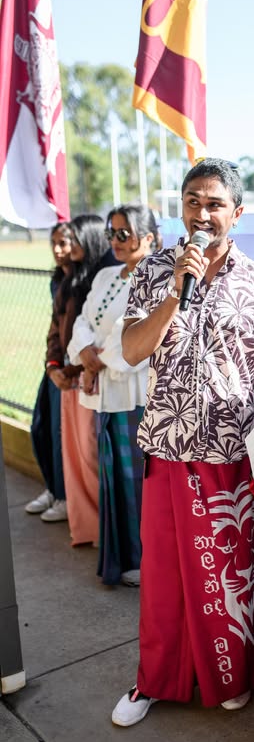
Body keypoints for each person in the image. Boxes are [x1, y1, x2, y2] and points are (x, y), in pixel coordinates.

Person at [111, 158, 254, 727]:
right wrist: (173, 293)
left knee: (232, 576)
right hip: (168, 447)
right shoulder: (155, 270)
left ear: (237, 213)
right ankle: (154, 682)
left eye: (214, 204)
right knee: (164, 579)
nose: (202, 214)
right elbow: (132, 351)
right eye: (192, 202)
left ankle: (231, 676)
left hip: (231, 454)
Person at [67, 204, 159, 586]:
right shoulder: (106, 274)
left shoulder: (156, 276)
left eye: (125, 233)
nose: (116, 241)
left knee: (137, 481)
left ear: (149, 237)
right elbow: (82, 320)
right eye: (112, 233)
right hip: (105, 392)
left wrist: (96, 362)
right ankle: (121, 558)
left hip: (134, 394)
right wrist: (85, 354)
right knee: (113, 479)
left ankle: (143, 560)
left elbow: (138, 337)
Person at [46, 214, 111, 546]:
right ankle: (86, 528)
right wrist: (53, 366)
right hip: (67, 380)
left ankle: (105, 531)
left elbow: (97, 338)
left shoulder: (104, 279)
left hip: (87, 379)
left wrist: (72, 369)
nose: (68, 246)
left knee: (90, 456)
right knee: (73, 458)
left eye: (73, 238)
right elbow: (55, 328)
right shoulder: (70, 279)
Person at [25, 223, 72, 522]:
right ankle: (53, 488)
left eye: (63, 242)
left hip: (74, 370)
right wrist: (52, 364)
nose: (57, 249)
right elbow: (55, 327)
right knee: (40, 427)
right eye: (53, 242)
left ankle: (65, 496)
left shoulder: (84, 280)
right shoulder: (58, 280)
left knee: (60, 433)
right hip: (55, 365)